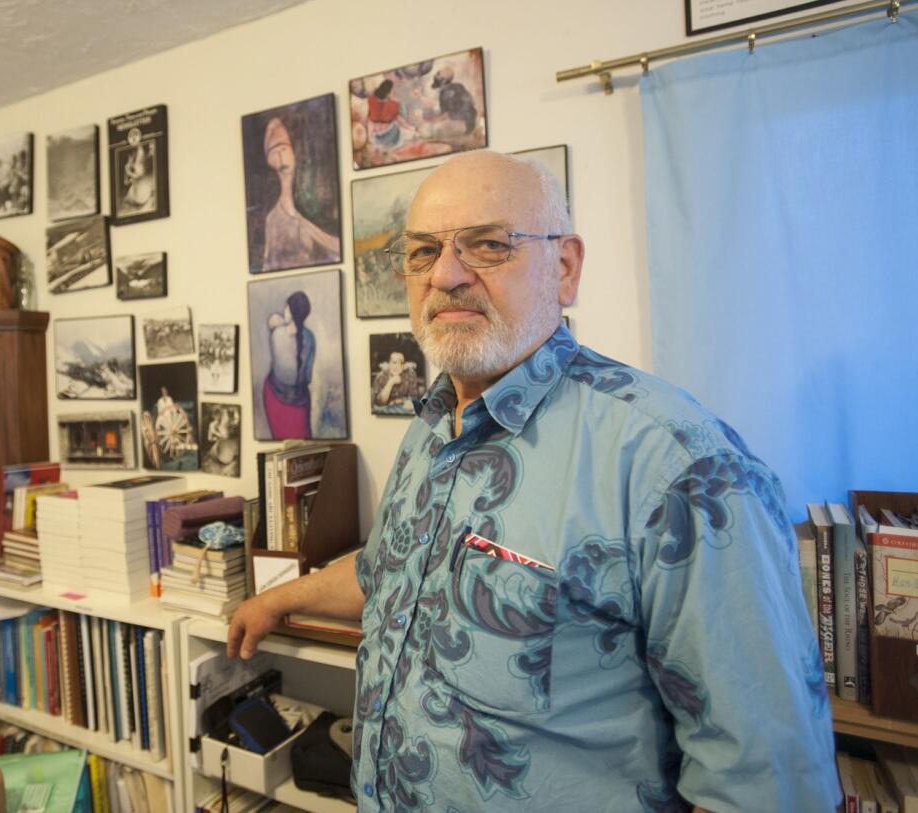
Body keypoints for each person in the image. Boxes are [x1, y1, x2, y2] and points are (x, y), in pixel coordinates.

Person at [228, 151, 838, 811]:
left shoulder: (678, 465)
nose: (447, 275)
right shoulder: (433, 425)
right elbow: (389, 569)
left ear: (566, 268)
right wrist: (278, 600)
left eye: (487, 245)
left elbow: (766, 779)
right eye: (423, 251)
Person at [260, 116, 340, 271]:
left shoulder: (316, 205)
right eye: (273, 151)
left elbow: (338, 249)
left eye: (283, 148)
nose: (280, 155)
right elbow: (266, 266)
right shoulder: (271, 220)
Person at [262, 291, 316, 439]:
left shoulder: (277, 334)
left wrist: (281, 323)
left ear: (290, 311)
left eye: (286, 307)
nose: (284, 309)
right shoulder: (310, 337)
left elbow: (281, 371)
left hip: (275, 397)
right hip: (300, 402)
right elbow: (308, 377)